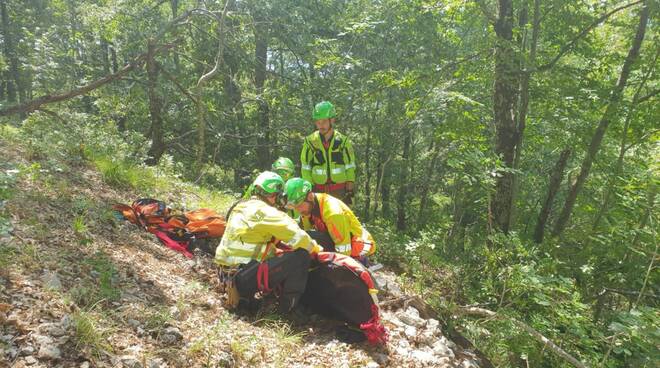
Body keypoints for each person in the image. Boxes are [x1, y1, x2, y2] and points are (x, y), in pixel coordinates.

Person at [215, 171, 322, 315]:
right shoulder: (267, 212)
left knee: (281, 253)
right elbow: (299, 237)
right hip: (242, 279)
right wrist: (317, 251)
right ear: (274, 195)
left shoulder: (240, 207)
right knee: (301, 257)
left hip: (225, 275)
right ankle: (287, 312)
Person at [283, 177, 375, 263]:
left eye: (299, 205)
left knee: (310, 238)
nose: (298, 210)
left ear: (310, 197)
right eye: (295, 207)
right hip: (337, 241)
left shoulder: (333, 213)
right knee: (304, 237)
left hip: (356, 246)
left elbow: (344, 250)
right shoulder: (308, 207)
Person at [300, 101, 356, 205]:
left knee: (340, 220)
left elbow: (350, 167)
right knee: (319, 221)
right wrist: (309, 189)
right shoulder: (310, 141)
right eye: (318, 122)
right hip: (318, 191)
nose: (321, 125)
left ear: (332, 120)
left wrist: (349, 190)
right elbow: (305, 168)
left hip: (340, 191)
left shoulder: (343, 141)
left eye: (324, 121)